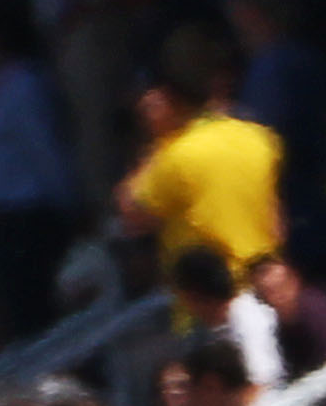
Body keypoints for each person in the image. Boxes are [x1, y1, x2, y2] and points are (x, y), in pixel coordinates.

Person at [120, 69, 287, 285]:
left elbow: (131, 215)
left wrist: (152, 154)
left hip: (214, 296)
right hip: (270, 280)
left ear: (173, 103)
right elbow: (277, 219)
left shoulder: (173, 158)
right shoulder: (257, 136)